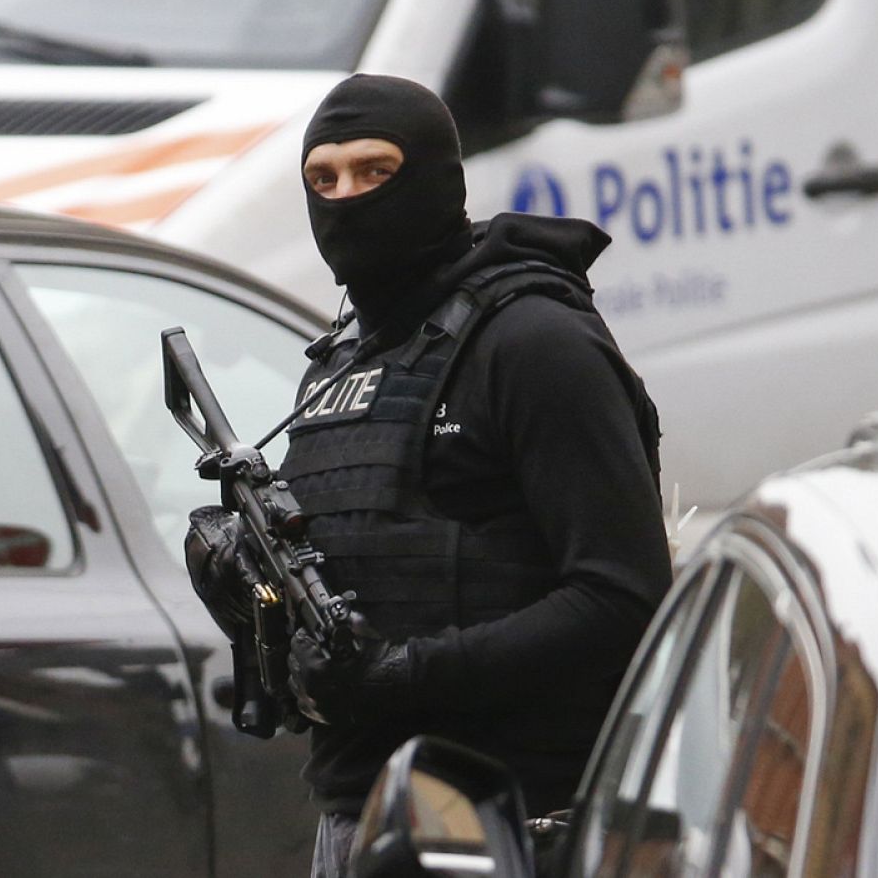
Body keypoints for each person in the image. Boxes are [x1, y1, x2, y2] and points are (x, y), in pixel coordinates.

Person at [184, 74, 673, 877]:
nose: (347, 198)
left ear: (440, 178)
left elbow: (623, 596)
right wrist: (256, 603)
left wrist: (407, 674)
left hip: (510, 821)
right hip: (360, 820)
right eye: (322, 179)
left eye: (375, 171)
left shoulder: (534, 343)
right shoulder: (343, 361)